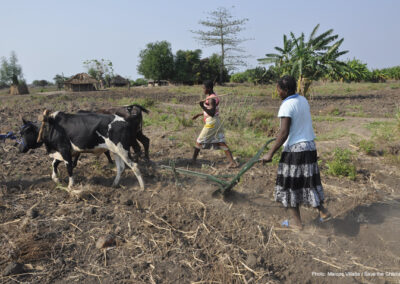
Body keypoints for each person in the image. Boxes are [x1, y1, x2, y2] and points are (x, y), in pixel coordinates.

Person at [261, 75, 330, 229]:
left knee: (289, 185)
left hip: (295, 150)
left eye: (278, 89)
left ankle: (296, 223)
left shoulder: (287, 105)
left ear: (285, 90)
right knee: (308, 182)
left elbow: (284, 133)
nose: (277, 92)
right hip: (309, 147)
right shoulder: (303, 100)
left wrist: (270, 153)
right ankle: (323, 212)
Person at [191, 80, 238, 168]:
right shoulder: (211, 96)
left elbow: (212, 113)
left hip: (211, 123)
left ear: (208, 89)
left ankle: (193, 161)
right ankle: (232, 162)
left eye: (204, 88)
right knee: (220, 142)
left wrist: (202, 106)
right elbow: (212, 110)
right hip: (216, 122)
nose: (203, 90)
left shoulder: (211, 99)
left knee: (199, 141)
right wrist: (199, 114)